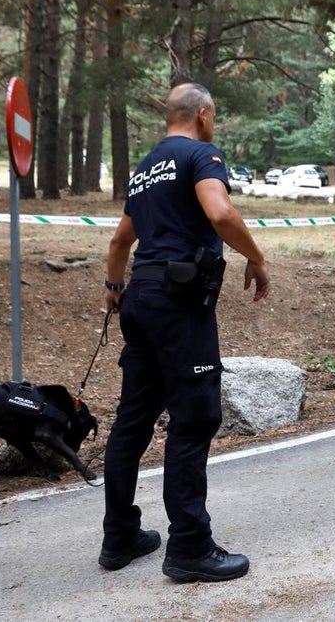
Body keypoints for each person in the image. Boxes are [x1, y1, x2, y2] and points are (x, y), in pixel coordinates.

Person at [98, 82, 271, 583]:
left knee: (132, 423)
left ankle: (119, 536)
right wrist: (256, 258)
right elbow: (220, 213)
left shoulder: (146, 167)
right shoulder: (201, 155)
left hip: (140, 300)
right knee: (194, 419)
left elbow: (118, 240)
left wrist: (113, 287)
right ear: (201, 113)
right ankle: (190, 547)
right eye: (213, 116)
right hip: (179, 306)